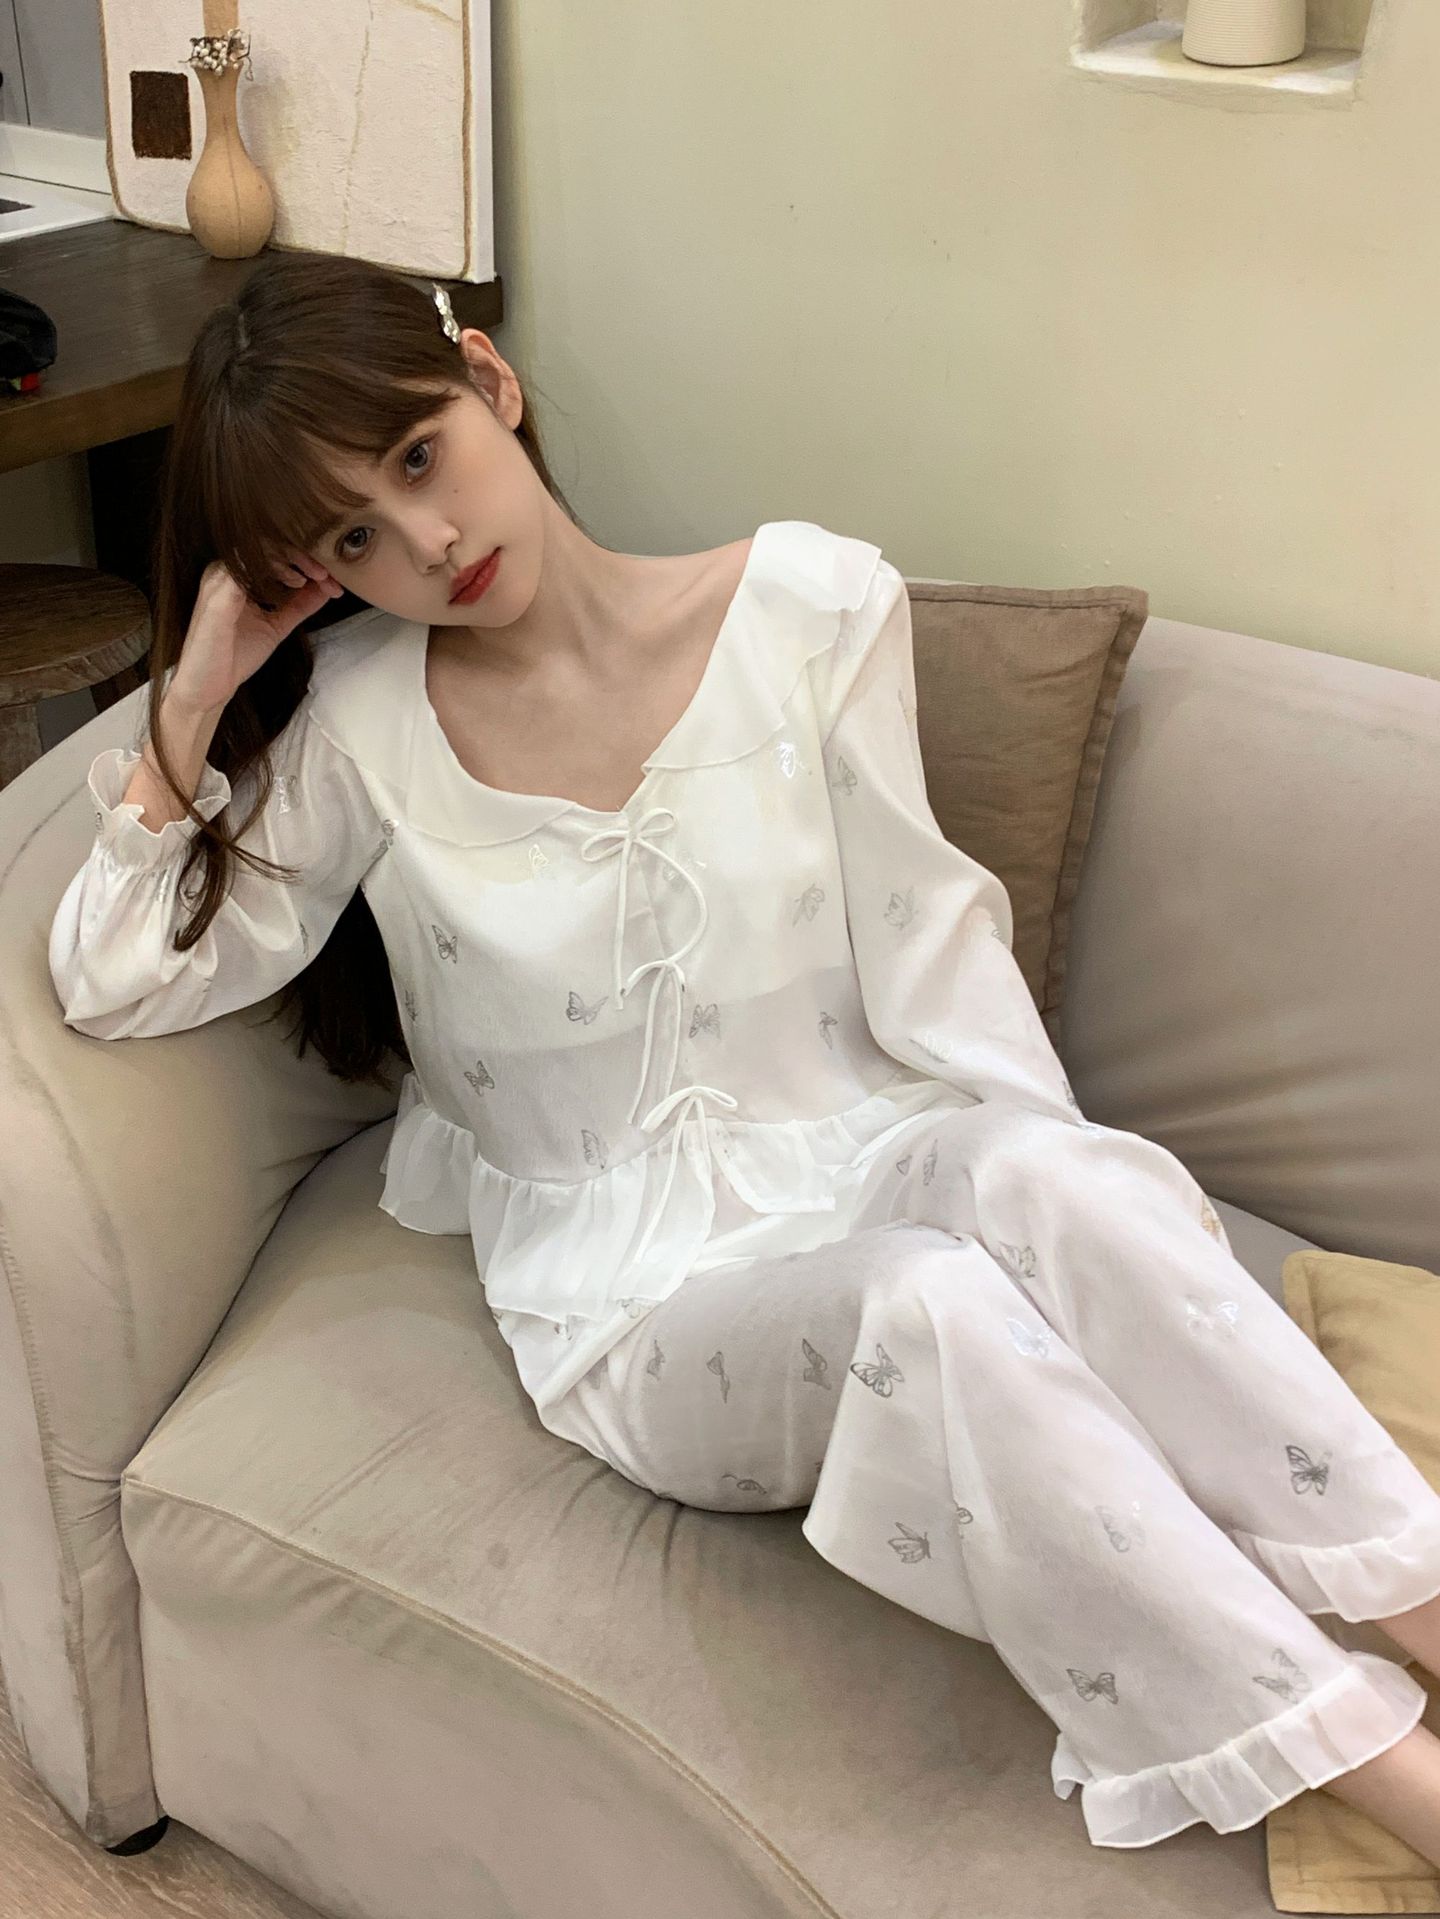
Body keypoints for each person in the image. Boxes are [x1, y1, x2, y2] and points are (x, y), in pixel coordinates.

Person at [48, 250, 1440, 1861]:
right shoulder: (364, 724)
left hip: (869, 1146)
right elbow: (111, 979)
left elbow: (934, 948)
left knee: (1041, 1178)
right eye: (352, 538)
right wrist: (197, 690)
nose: (425, 544)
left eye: (421, 457)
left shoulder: (811, 606)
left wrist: (1093, 1221)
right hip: (636, 1305)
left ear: (490, 380)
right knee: (925, 1303)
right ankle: (1384, 1775)